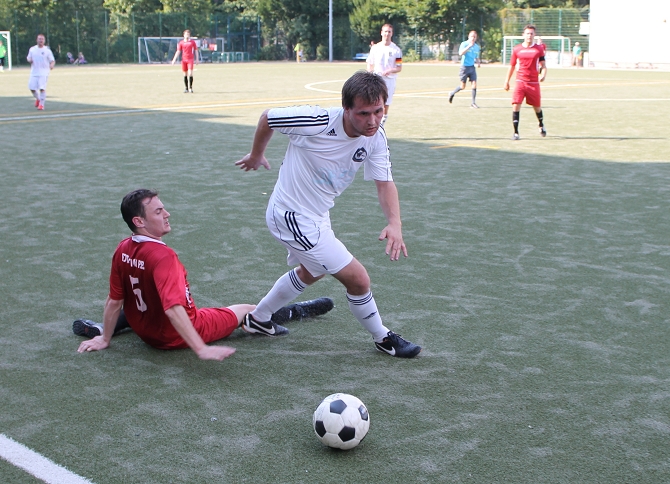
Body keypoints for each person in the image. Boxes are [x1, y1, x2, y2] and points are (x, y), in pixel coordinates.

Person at [234, 71, 421, 358]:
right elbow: (267, 117)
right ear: (346, 109)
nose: (372, 120)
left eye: (378, 111)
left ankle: (258, 319)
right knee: (358, 279)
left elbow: (384, 183)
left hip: (318, 215)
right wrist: (257, 154)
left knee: (312, 271)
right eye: (363, 113)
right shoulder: (316, 120)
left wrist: (395, 223)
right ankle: (383, 338)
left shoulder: (375, 137)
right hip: (291, 216)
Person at [75, 189, 335, 361]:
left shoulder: (123, 248)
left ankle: (106, 328)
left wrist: (105, 338)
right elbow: (173, 310)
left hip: (143, 327)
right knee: (248, 309)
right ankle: (294, 312)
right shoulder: (163, 257)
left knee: (139, 298)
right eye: (158, 211)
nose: (167, 214)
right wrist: (200, 348)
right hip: (173, 335)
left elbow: (114, 301)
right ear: (139, 221)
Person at [503, 25, 547, 141]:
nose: (529, 36)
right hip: (520, 81)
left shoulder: (539, 49)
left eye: (531, 33)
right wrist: (507, 81)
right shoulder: (517, 49)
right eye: (527, 33)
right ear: (523, 35)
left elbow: (543, 65)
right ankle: (516, 132)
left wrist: (543, 74)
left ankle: (541, 124)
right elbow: (512, 66)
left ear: (534, 35)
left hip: (533, 82)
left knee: (537, 107)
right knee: (516, 105)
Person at [366, 24, 402, 126]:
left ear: (392, 33)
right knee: (373, 101)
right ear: (381, 33)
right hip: (376, 80)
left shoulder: (396, 50)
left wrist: (390, 70)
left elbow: (399, 67)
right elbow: (370, 63)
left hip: (389, 81)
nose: (387, 34)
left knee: (386, 103)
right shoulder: (375, 48)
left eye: (389, 31)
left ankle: (381, 124)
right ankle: (372, 122)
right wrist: (369, 74)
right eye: (385, 31)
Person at [448, 30, 482, 109]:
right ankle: (452, 93)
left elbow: (476, 56)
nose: (473, 38)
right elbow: (460, 53)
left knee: (474, 84)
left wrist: (478, 62)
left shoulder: (477, 47)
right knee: (462, 86)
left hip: (472, 67)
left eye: (475, 37)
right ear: (469, 37)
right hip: (464, 67)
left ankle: (473, 103)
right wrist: (469, 46)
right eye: (472, 36)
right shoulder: (464, 44)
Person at [27, 34, 55, 111]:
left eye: (42, 39)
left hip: (44, 72)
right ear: (37, 40)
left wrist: (51, 65)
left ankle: (41, 105)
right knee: (32, 88)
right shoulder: (32, 49)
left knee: (42, 88)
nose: (41, 40)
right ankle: (38, 99)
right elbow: (28, 58)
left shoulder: (47, 50)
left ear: (44, 41)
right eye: (39, 39)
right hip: (34, 72)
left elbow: (52, 60)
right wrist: (29, 60)